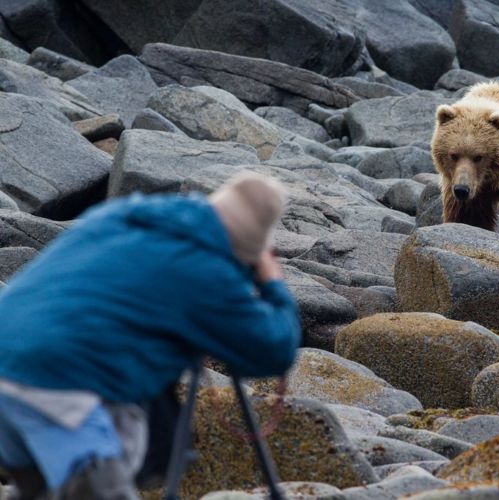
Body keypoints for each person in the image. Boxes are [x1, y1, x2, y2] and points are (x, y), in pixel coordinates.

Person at [0, 173, 302, 499]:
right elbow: (274, 348)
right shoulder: (204, 269)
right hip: (60, 388)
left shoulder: (122, 216)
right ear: (250, 248)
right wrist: (272, 283)